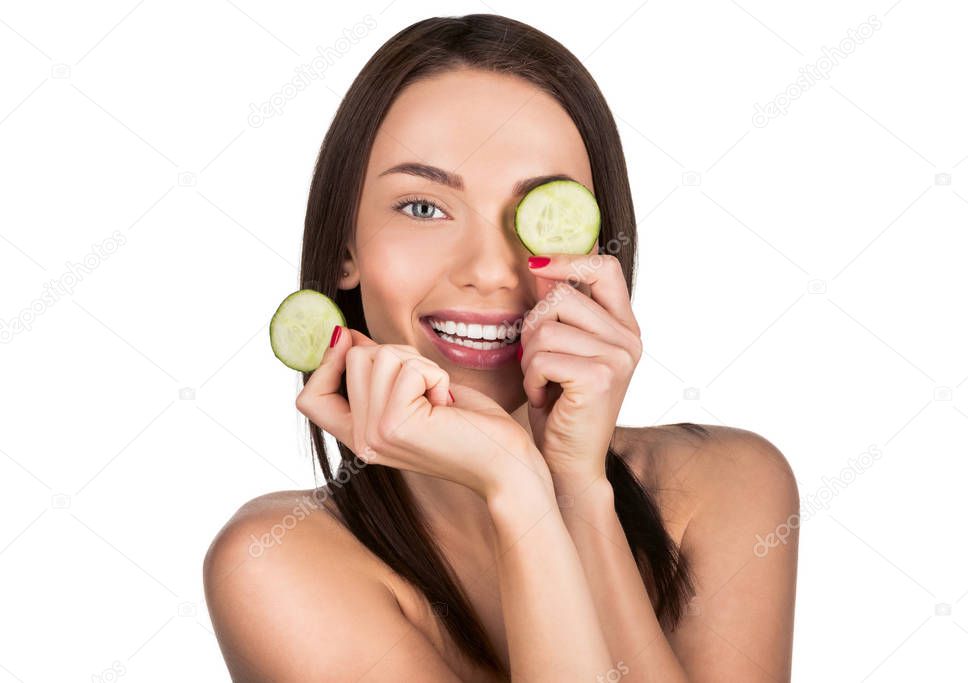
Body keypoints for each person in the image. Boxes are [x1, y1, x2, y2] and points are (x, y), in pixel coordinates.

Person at [204, 13, 799, 682]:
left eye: (538, 209)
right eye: (423, 207)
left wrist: (576, 488)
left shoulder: (730, 483)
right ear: (346, 248)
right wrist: (516, 485)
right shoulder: (277, 563)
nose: (490, 268)